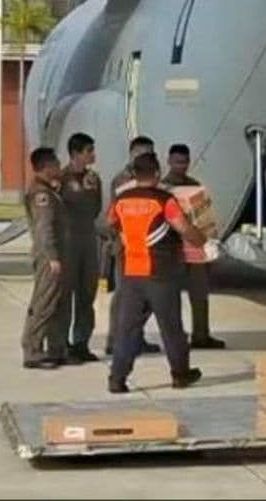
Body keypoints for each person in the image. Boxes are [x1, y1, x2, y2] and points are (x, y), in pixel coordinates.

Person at [106, 151, 205, 393]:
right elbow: (183, 228)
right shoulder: (164, 200)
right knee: (171, 328)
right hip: (161, 275)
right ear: (158, 173)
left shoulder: (121, 200)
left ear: (134, 175)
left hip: (131, 274)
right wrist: (201, 240)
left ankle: (117, 378)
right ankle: (180, 374)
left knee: (127, 329)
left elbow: (110, 224)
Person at [163, 143, 225, 350]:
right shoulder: (162, 189)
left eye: (184, 162)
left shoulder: (195, 186)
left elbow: (204, 217)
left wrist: (209, 246)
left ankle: (201, 334)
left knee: (200, 293)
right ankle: (175, 337)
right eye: (177, 162)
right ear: (169, 162)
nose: (181, 166)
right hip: (172, 248)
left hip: (194, 247)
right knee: (170, 297)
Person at [104, 136, 160, 356]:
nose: (148, 156)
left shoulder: (150, 176)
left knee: (146, 295)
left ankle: (135, 336)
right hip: (127, 244)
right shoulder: (123, 181)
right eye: (144, 153)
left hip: (147, 244)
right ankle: (115, 339)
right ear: (133, 154)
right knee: (124, 294)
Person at [55, 132, 102, 364]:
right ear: (75, 153)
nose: (93, 155)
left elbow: (96, 208)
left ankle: (81, 343)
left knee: (87, 293)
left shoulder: (93, 179)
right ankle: (61, 344)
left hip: (88, 240)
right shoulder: (61, 179)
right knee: (65, 295)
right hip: (67, 242)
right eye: (88, 151)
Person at [20, 147, 68, 370]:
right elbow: (44, 228)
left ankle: (56, 348)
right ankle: (32, 349)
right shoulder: (42, 195)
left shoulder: (49, 190)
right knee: (44, 301)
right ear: (46, 167)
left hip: (56, 253)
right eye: (55, 164)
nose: (59, 167)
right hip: (49, 255)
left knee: (56, 302)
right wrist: (52, 257)